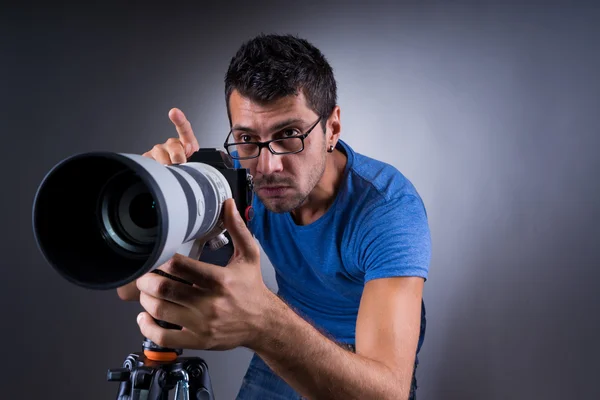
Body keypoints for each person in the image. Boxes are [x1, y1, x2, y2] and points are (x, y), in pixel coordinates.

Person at [117, 33, 431, 400]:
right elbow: (127, 289)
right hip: (288, 331)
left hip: (363, 360)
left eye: (290, 135)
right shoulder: (236, 179)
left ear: (332, 128)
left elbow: (387, 393)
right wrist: (160, 193)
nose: (268, 166)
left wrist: (262, 322)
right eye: (248, 139)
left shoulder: (388, 208)